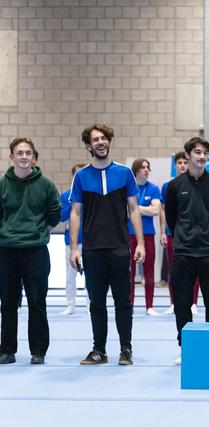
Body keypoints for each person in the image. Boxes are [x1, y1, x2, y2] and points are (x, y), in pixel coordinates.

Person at [69, 124, 146, 366]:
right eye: (95, 140)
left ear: (109, 142)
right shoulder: (81, 177)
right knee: (97, 303)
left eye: (104, 138)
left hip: (119, 248)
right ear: (88, 146)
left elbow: (133, 209)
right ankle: (99, 350)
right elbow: (75, 213)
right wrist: (74, 248)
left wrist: (140, 243)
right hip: (92, 250)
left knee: (123, 301)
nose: (101, 142)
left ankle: (126, 349)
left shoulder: (124, 174)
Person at [165, 137, 209, 365]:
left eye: (205, 153)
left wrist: (207, 235)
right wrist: (185, 236)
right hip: (183, 253)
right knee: (182, 304)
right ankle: (186, 346)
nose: (202, 156)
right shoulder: (174, 187)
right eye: (197, 152)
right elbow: (171, 218)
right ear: (188, 155)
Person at [0, 137, 61, 365]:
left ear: (33, 156)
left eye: (28, 153)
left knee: (37, 302)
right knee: (7, 303)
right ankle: (7, 350)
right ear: (12, 157)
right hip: (7, 251)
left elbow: (55, 213)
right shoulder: (2, 184)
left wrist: (38, 231)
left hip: (35, 251)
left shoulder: (45, 184)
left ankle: (38, 351)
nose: (24, 156)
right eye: (20, 153)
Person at [160, 151, 200, 315]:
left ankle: (194, 303)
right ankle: (173, 302)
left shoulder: (197, 184)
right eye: (180, 163)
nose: (183, 165)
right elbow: (162, 210)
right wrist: (163, 232)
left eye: (185, 162)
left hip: (193, 235)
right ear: (175, 165)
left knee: (194, 269)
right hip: (172, 234)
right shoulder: (167, 186)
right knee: (173, 270)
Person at [128, 158, 161, 316]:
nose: (147, 170)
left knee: (149, 271)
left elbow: (155, 211)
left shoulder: (154, 189)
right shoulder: (127, 188)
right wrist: (145, 209)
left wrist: (134, 208)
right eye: (143, 168)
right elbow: (123, 210)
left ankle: (149, 305)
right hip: (130, 234)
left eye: (148, 167)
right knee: (129, 272)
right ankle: (129, 304)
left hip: (148, 234)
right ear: (136, 170)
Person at [60, 162, 88, 315]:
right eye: (76, 173)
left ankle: (91, 305)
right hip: (71, 241)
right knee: (70, 274)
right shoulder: (65, 196)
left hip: (90, 240)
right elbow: (62, 216)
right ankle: (70, 304)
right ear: (72, 176)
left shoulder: (91, 194)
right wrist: (73, 201)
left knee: (91, 275)